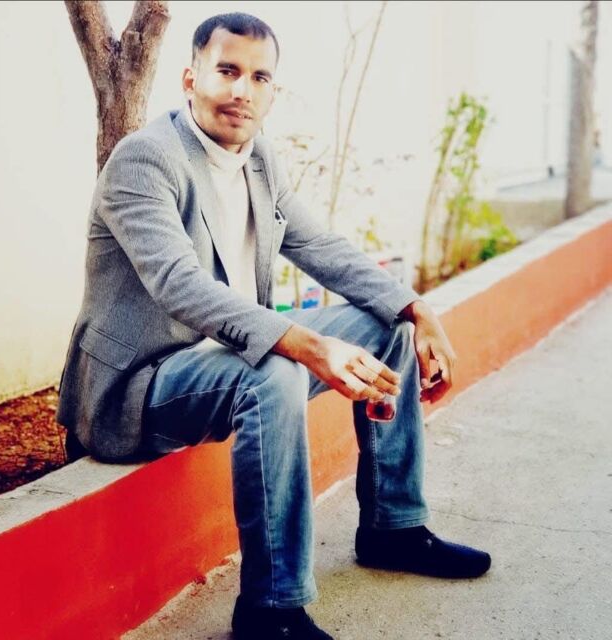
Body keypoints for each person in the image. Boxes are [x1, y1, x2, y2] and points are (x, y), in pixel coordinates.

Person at [57, 12, 491, 640]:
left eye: (259, 77)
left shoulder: (258, 158)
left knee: (385, 326)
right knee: (277, 371)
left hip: (223, 361)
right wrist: (308, 345)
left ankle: (393, 527)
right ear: (190, 79)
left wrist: (416, 309)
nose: (243, 90)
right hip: (140, 385)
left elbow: (318, 245)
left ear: (272, 92)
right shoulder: (145, 160)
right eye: (227, 71)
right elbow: (178, 284)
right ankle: (271, 609)